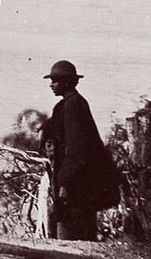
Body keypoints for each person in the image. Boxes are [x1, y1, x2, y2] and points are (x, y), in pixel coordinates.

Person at [39, 60, 108, 241]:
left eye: (55, 81)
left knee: (72, 232)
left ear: (67, 83)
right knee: (79, 230)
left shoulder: (72, 106)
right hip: (79, 181)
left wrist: (64, 184)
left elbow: (78, 150)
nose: (51, 85)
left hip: (76, 184)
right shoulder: (72, 104)